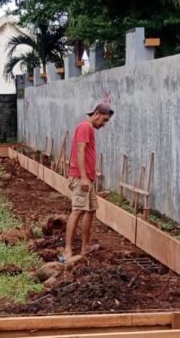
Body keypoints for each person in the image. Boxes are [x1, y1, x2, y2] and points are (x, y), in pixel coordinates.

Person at [63, 103, 114, 260]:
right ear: (96, 114)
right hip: (80, 178)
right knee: (77, 210)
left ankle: (85, 248)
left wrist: (91, 174)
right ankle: (68, 250)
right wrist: (84, 176)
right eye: (104, 120)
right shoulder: (85, 127)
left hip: (87, 178)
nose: (104, 124)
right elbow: (80, 151)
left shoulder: (90, 129)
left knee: (90, 210)